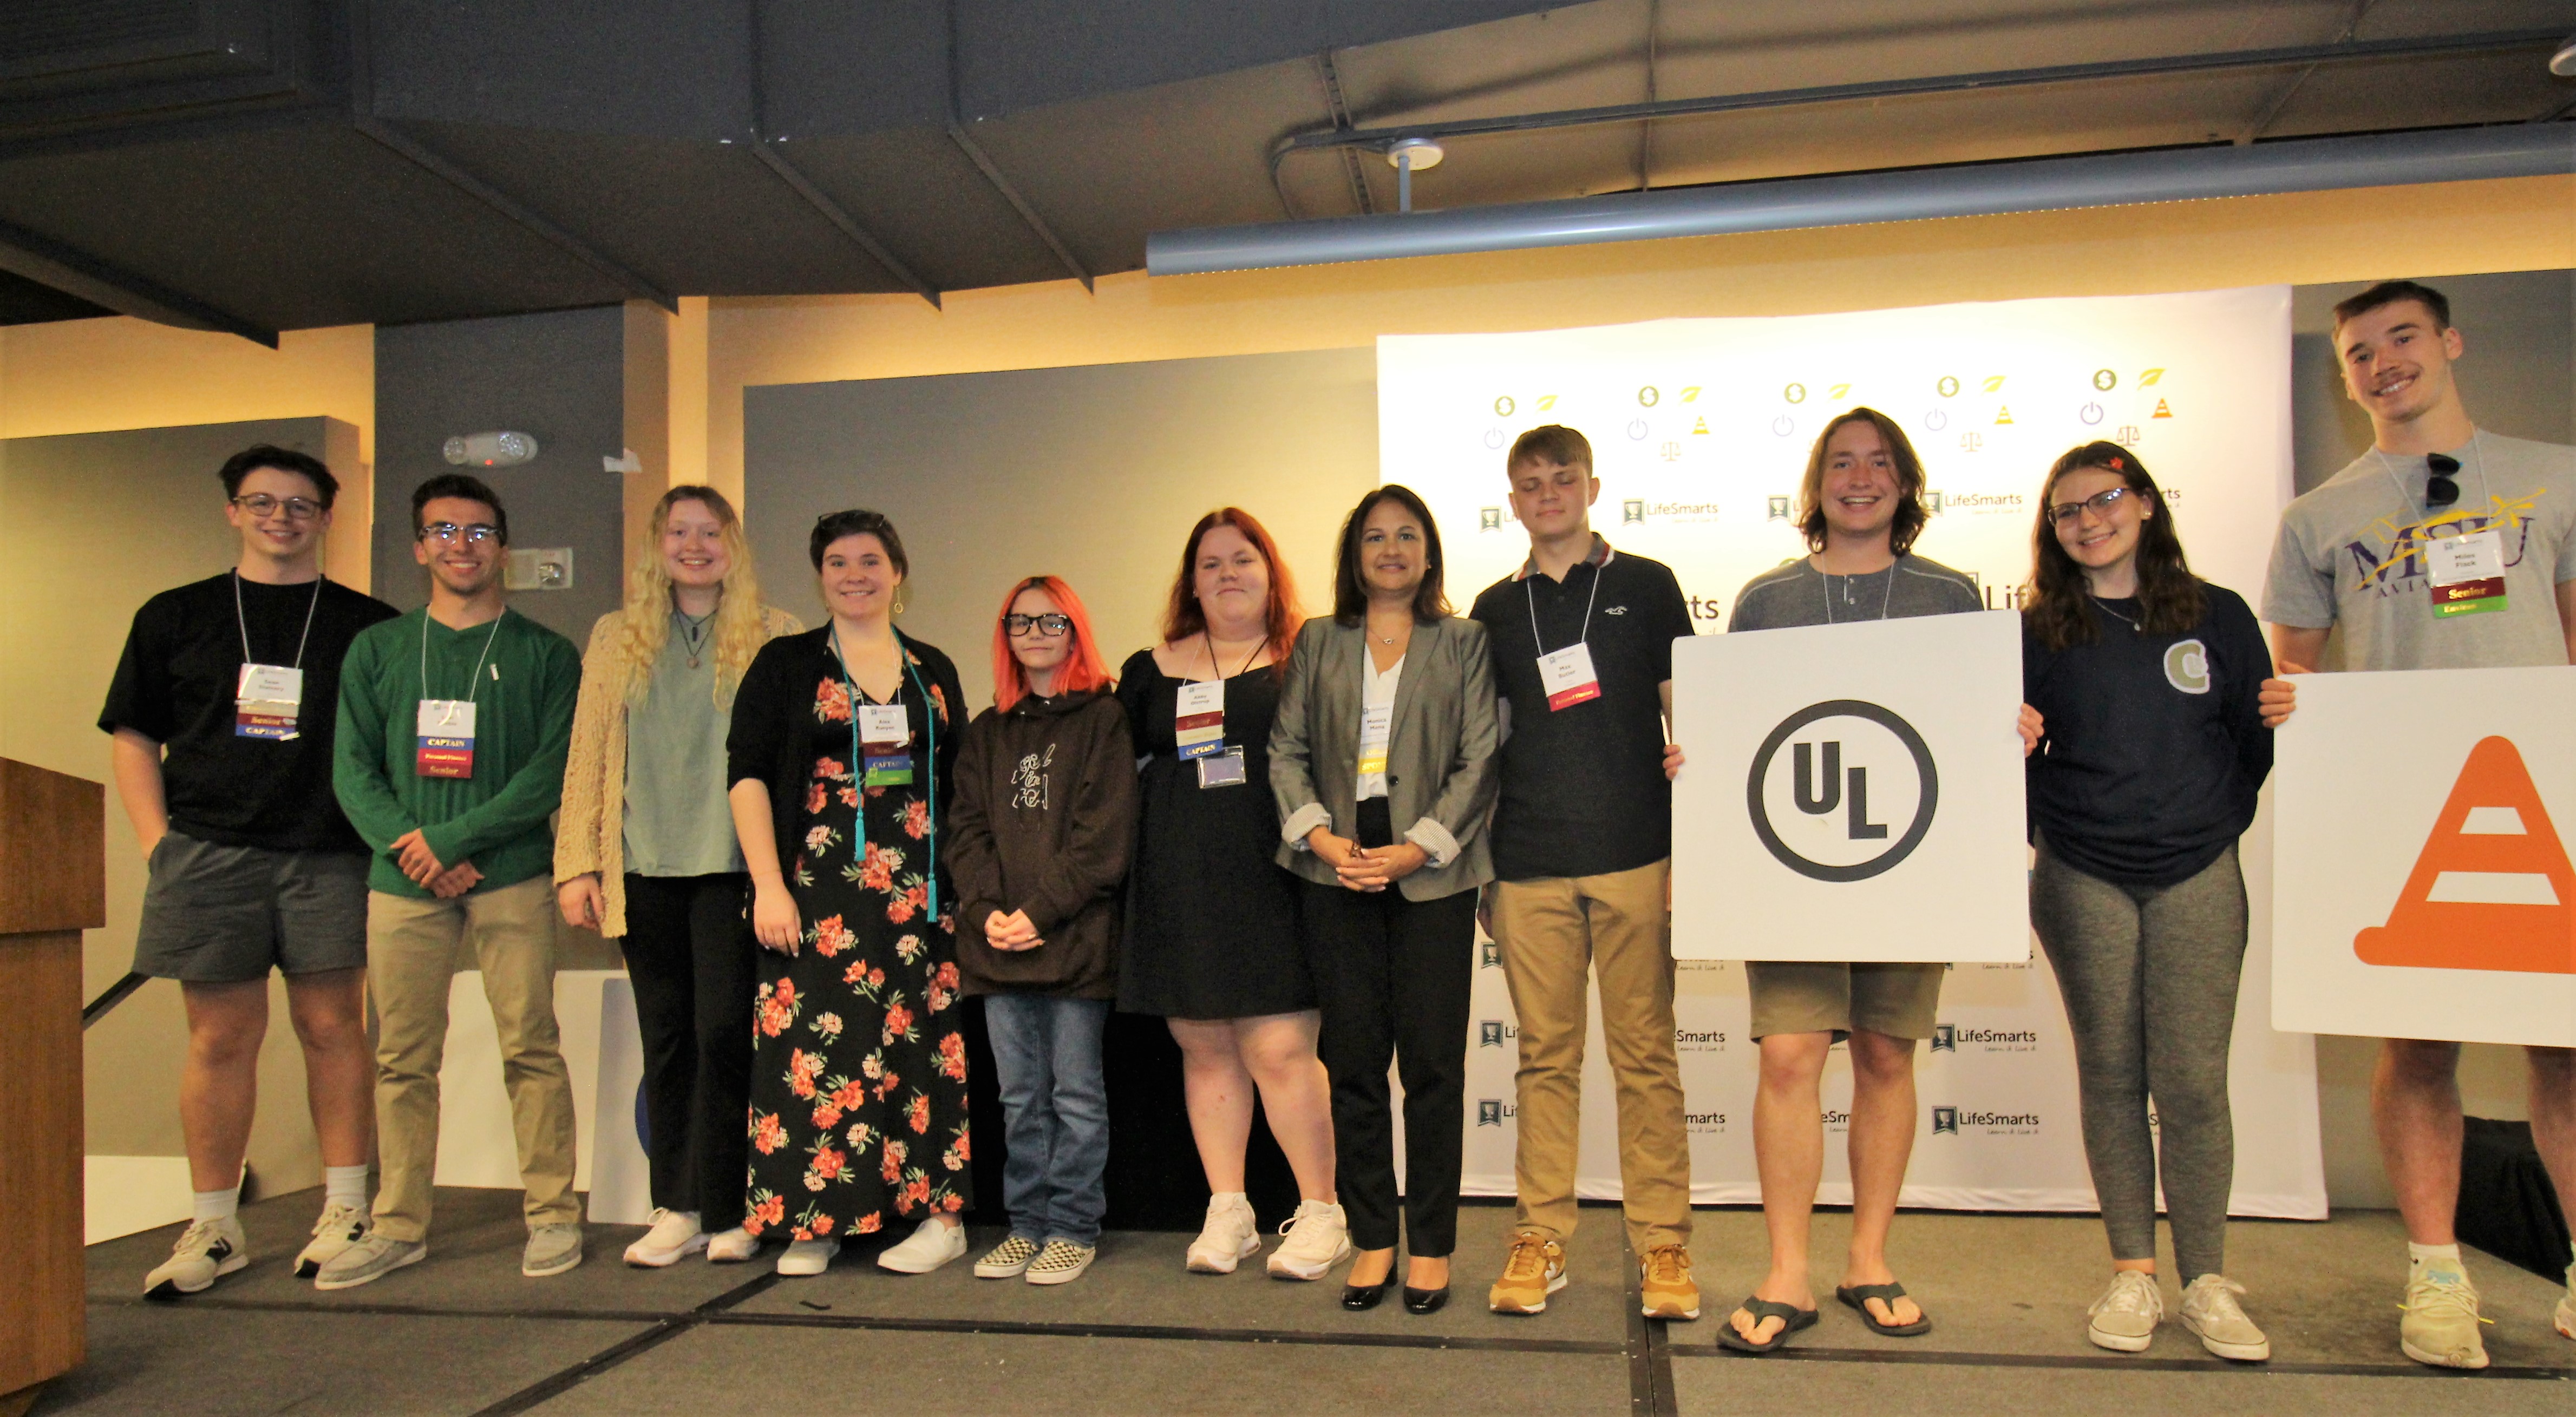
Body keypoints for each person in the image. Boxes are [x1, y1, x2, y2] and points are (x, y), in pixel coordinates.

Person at [2260, 279, 2576, 1367]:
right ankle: (2437, 1275)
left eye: (2401, 338)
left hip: (2538, 798)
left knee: (2567, 1045)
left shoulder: (2553, 475)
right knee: (2417, 1043)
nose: (2383, 362)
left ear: (2449, 341)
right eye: (2358, 351)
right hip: (2399, 803)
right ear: (2347, 376)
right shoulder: (2319, 515)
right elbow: (2292, 675)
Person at [101, 445, 398, 1298]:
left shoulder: (366, 625)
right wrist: (158, 841)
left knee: (334, 1027)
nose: (281, 518)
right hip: (206, 854)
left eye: (300, 505)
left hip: (329, 855)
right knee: (221, 1037)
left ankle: (346, 1208)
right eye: (262, 502)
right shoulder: (174, 615)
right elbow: (133, 738)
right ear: (233, 510)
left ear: (325, 517)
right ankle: (215, 1223)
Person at [1717, 408, 1983, 1352]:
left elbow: (1969, 727)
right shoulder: (1764, 600)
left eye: (1878, 462)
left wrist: (2009, 725)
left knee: (1883, 1055)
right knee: (1789, 1054)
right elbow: (1735, 731)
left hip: (1910, 864)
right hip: (1788, 866)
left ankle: (1867, 1257)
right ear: (1815, 483)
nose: (1859, 477)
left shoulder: (1952, 596)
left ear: (1904, 483)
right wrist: (1696, 760)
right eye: (1841, 462)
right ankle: (1786, 1269)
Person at [2020, 442, 2276, 1361]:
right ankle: (2133, 1273)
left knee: (2194, 1079)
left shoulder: (2218, 613)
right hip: (2082, 869)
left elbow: (2254, 739)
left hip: (2198, 867)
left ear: (2143, 503)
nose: (2087, 520)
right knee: (2111, 1074)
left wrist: (2200, 820)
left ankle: (2206, 1279)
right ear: (2051, 530)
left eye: (2104, 500)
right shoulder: (2038, 626)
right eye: (2066, 511)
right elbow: (2008, 762)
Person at [322, 474, 584, 1290]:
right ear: (418, 547)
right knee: (401, 1057)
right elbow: (352, 768)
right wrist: (417, 850)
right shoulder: (377, 649)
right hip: (401, 885)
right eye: (443, 530)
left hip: (509, 875)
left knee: (531, 1045)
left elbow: (552, 774)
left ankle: (550, 1213)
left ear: (502, 547)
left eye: (477, 531)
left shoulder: (544, 652)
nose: (460, 545)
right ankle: (398, 1222)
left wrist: (453, 838)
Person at [1468, 425, 1699, 1322]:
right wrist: (1483, 869)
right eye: (1530, 483)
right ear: (1514, 499)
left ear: (1592, 486)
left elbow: (1693, 717)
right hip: (1527, 865)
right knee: (1543, 1059)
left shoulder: (1646, 585)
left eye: (1562, 478)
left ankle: (1662, 1240)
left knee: (1646, 1053)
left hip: (1638, 854)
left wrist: (1695, 847)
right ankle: (1540, 1234)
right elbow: (1478, 748)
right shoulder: (1491, 607)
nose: (1547, 493)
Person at [555, 486, 800, 1268]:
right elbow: (588, 750)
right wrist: (577, 864)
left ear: (735, 542)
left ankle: (733, 1208)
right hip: (642, 868)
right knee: (667, 1039)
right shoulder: (615, 635)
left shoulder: (775, 633)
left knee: (727, 1034)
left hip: (735, 869)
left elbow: (792, 762)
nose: (694, 545)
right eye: (678, 531)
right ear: (656, 544)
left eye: (710, 531)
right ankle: (677, 1205)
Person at [1271, 486, 1500, 1315]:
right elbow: (1285, 748)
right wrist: (1324, 841)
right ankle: (1373, 1239)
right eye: (1375, 537)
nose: (1391, 549)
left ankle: (1431, 1246)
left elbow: (1479, 758)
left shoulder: (1464, 641)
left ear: (1429, 552)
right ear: (1354, 554)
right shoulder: (1318, 641)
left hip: (1431, 874)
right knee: (1357, 1066)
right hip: (1335, 871)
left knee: (1434, 1068)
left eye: (1407, 536)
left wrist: (1416, 848)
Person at [725, 510, 969, 1277]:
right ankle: (816, 1218)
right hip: (816, 895)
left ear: (897, 570)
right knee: (817, 1048)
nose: (855, 574)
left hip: (921, 894)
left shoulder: (931, 668)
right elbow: (748, 776)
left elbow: (958, 782)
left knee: (921, 1052)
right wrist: (767, 884)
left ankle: (938, 1216)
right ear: (819, 574)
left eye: (870, 559)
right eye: (837, 562)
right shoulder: (785, 663)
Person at [1117, 508, 1349, 1281]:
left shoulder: (1306, 654)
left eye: (1242, 558)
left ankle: (1322, 1211)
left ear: (1268, 568)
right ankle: (1230, 1208)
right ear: (1191, 580)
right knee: (1205, 1043)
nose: (1227, 574)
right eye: (1210, 562)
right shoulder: (1149, 668)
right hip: (1179, 875)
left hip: (1277, 872)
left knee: (1280, 1046)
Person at [947, 576, 1137, 1287]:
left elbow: (1102, 841)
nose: (1035, 632)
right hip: (996, 948)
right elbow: (963, 829)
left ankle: (1072, 1228)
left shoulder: (1103, 719)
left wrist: (1039, 913)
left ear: (1074, 629)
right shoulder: (987, 728)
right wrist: (988, 910)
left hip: (1075, 946)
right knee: (1018, 1099)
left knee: (1076, 1097)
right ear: (1005, 635)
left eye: (1050, 619)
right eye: (1020, 621)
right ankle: (1025, 1224)